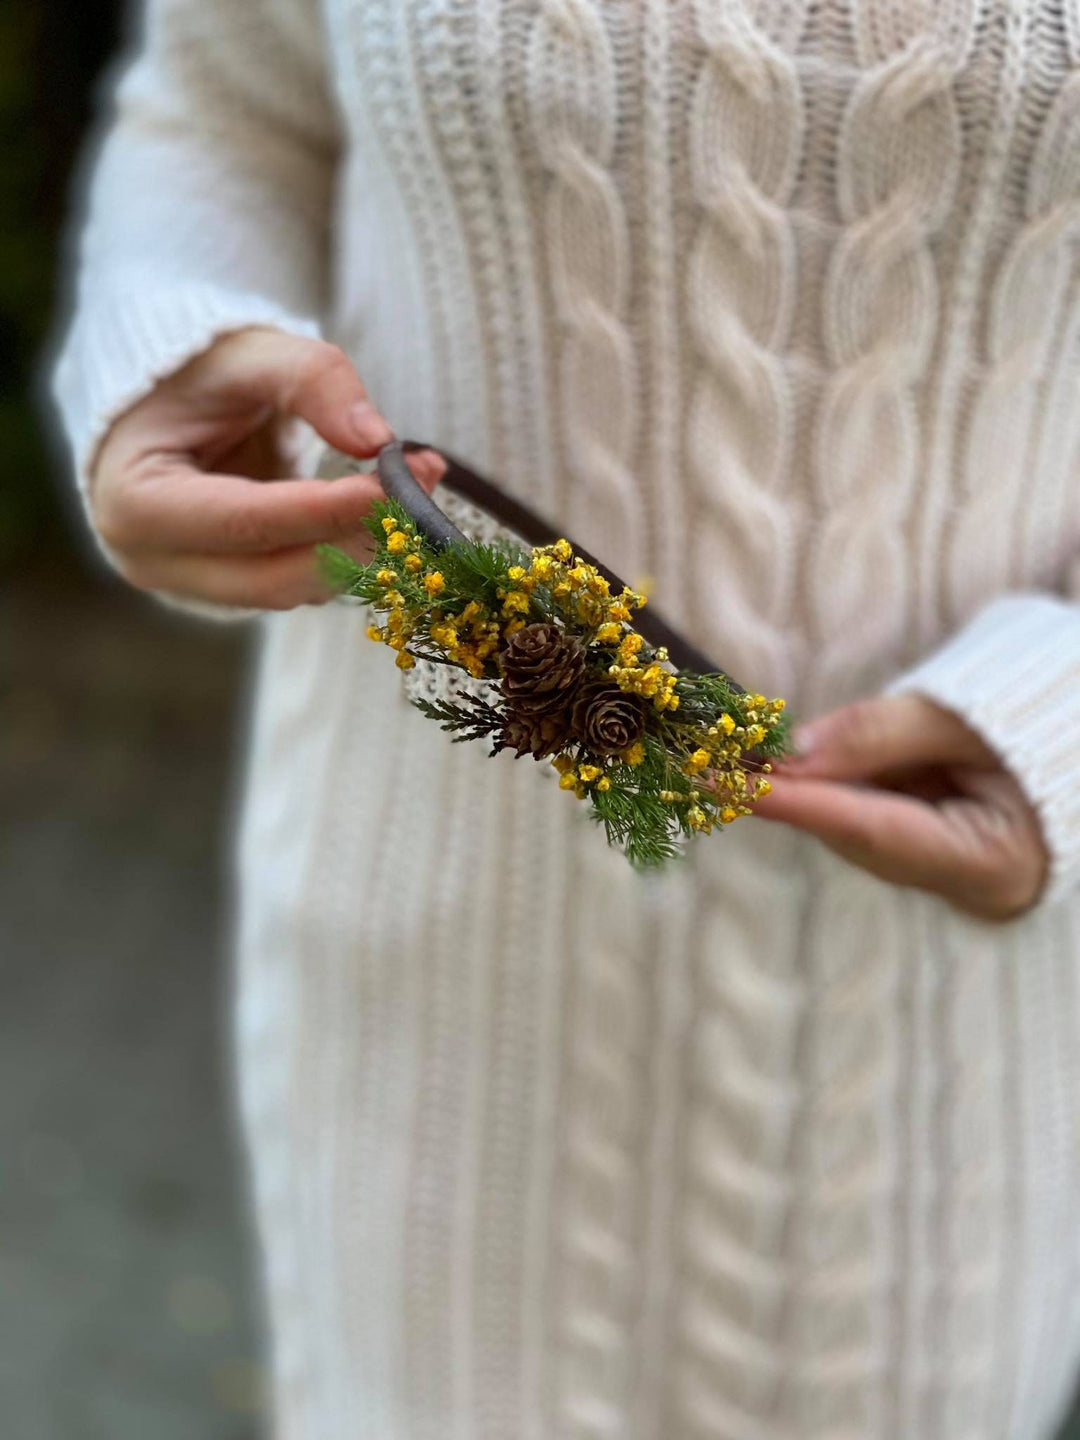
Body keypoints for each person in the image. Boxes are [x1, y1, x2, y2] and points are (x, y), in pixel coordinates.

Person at [52, 2, 1080, 1436]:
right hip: (432, 978)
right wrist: (171, 342)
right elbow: (227, 107)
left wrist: (1058, 716)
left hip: (943, 1054)